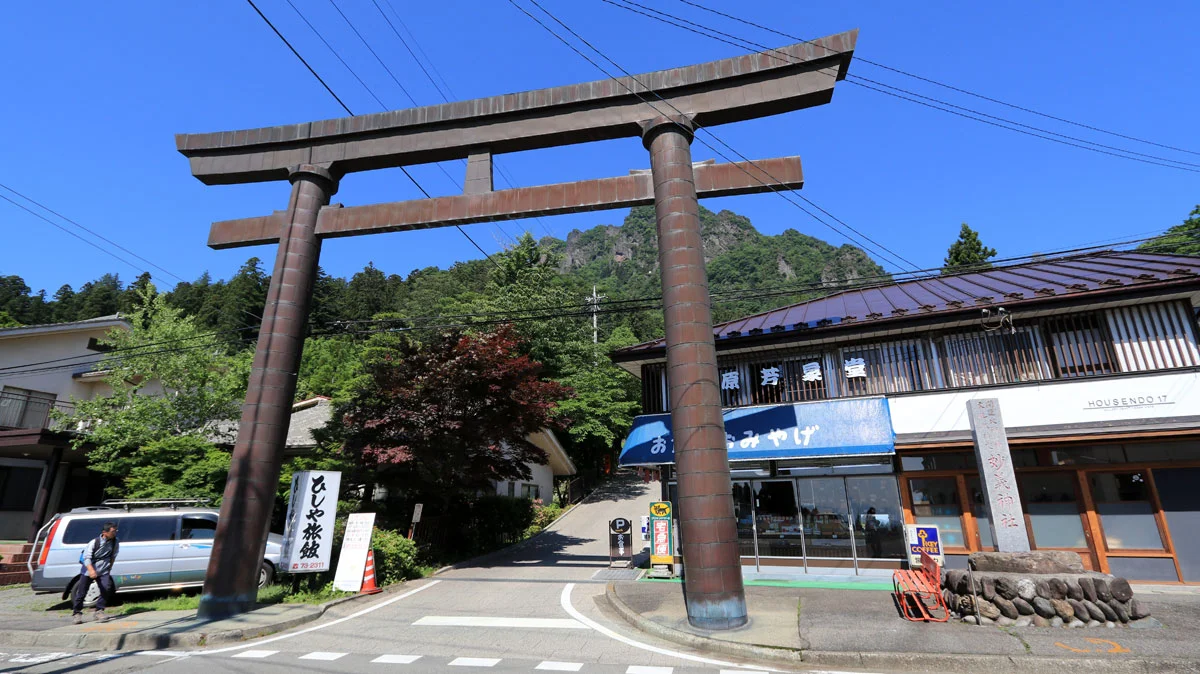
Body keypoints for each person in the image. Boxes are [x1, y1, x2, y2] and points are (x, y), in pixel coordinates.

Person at [72, 522, 119, 624]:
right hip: (89, 570)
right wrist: (91, 571)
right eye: (113, 531)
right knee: (82, 592)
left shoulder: (115, 542)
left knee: (106, 588)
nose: (115, 533)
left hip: (103, 570)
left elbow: (113, 556)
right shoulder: (94, 542)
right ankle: (77, 613)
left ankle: (99, 611)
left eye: (116, 530)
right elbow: (87, 558)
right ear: (104, 532)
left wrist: (109, 568)